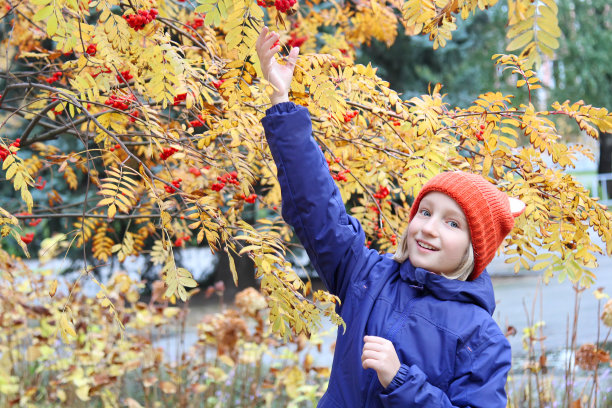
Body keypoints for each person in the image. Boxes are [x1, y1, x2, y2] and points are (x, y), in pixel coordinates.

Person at [256, 26, 526, 407]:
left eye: (452, 223)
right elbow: (317, 208)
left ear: (474, 247)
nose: (429, 227)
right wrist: (281, 99)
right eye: (426, 212)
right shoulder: (364, 276)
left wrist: (401, 381)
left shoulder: (480, 336)